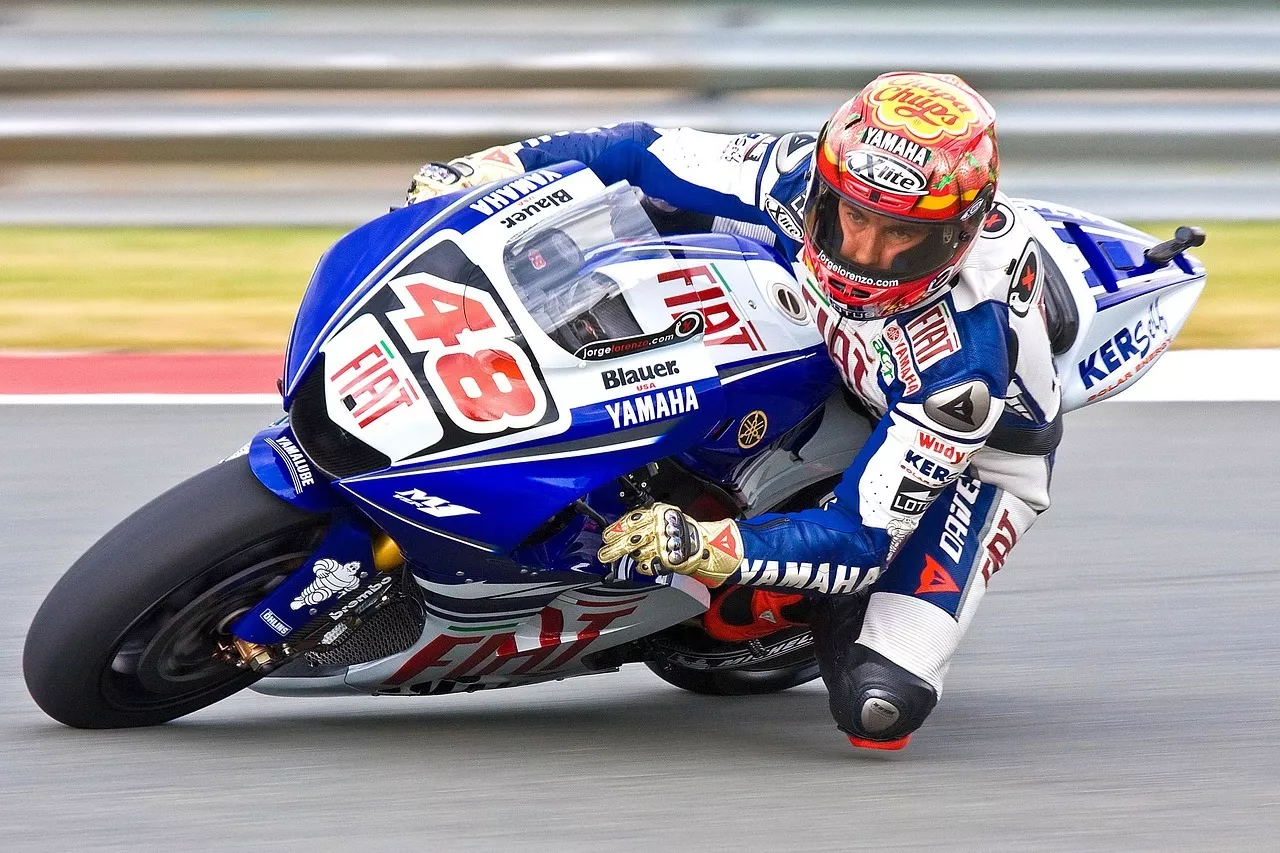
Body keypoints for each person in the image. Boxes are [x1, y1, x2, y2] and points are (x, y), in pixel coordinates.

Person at [405, 72, 1059, 750]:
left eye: (902, 235)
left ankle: (803, 594)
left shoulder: (959, 369)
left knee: (880, 702)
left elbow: (860, 540)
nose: (864, 252)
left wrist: (708, 545)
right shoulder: (799, 175)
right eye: (853, 217)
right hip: (825, 332)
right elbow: (637, 150)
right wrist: (491, 168)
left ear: (957, 236)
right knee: (656, 204)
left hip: (972, 460)